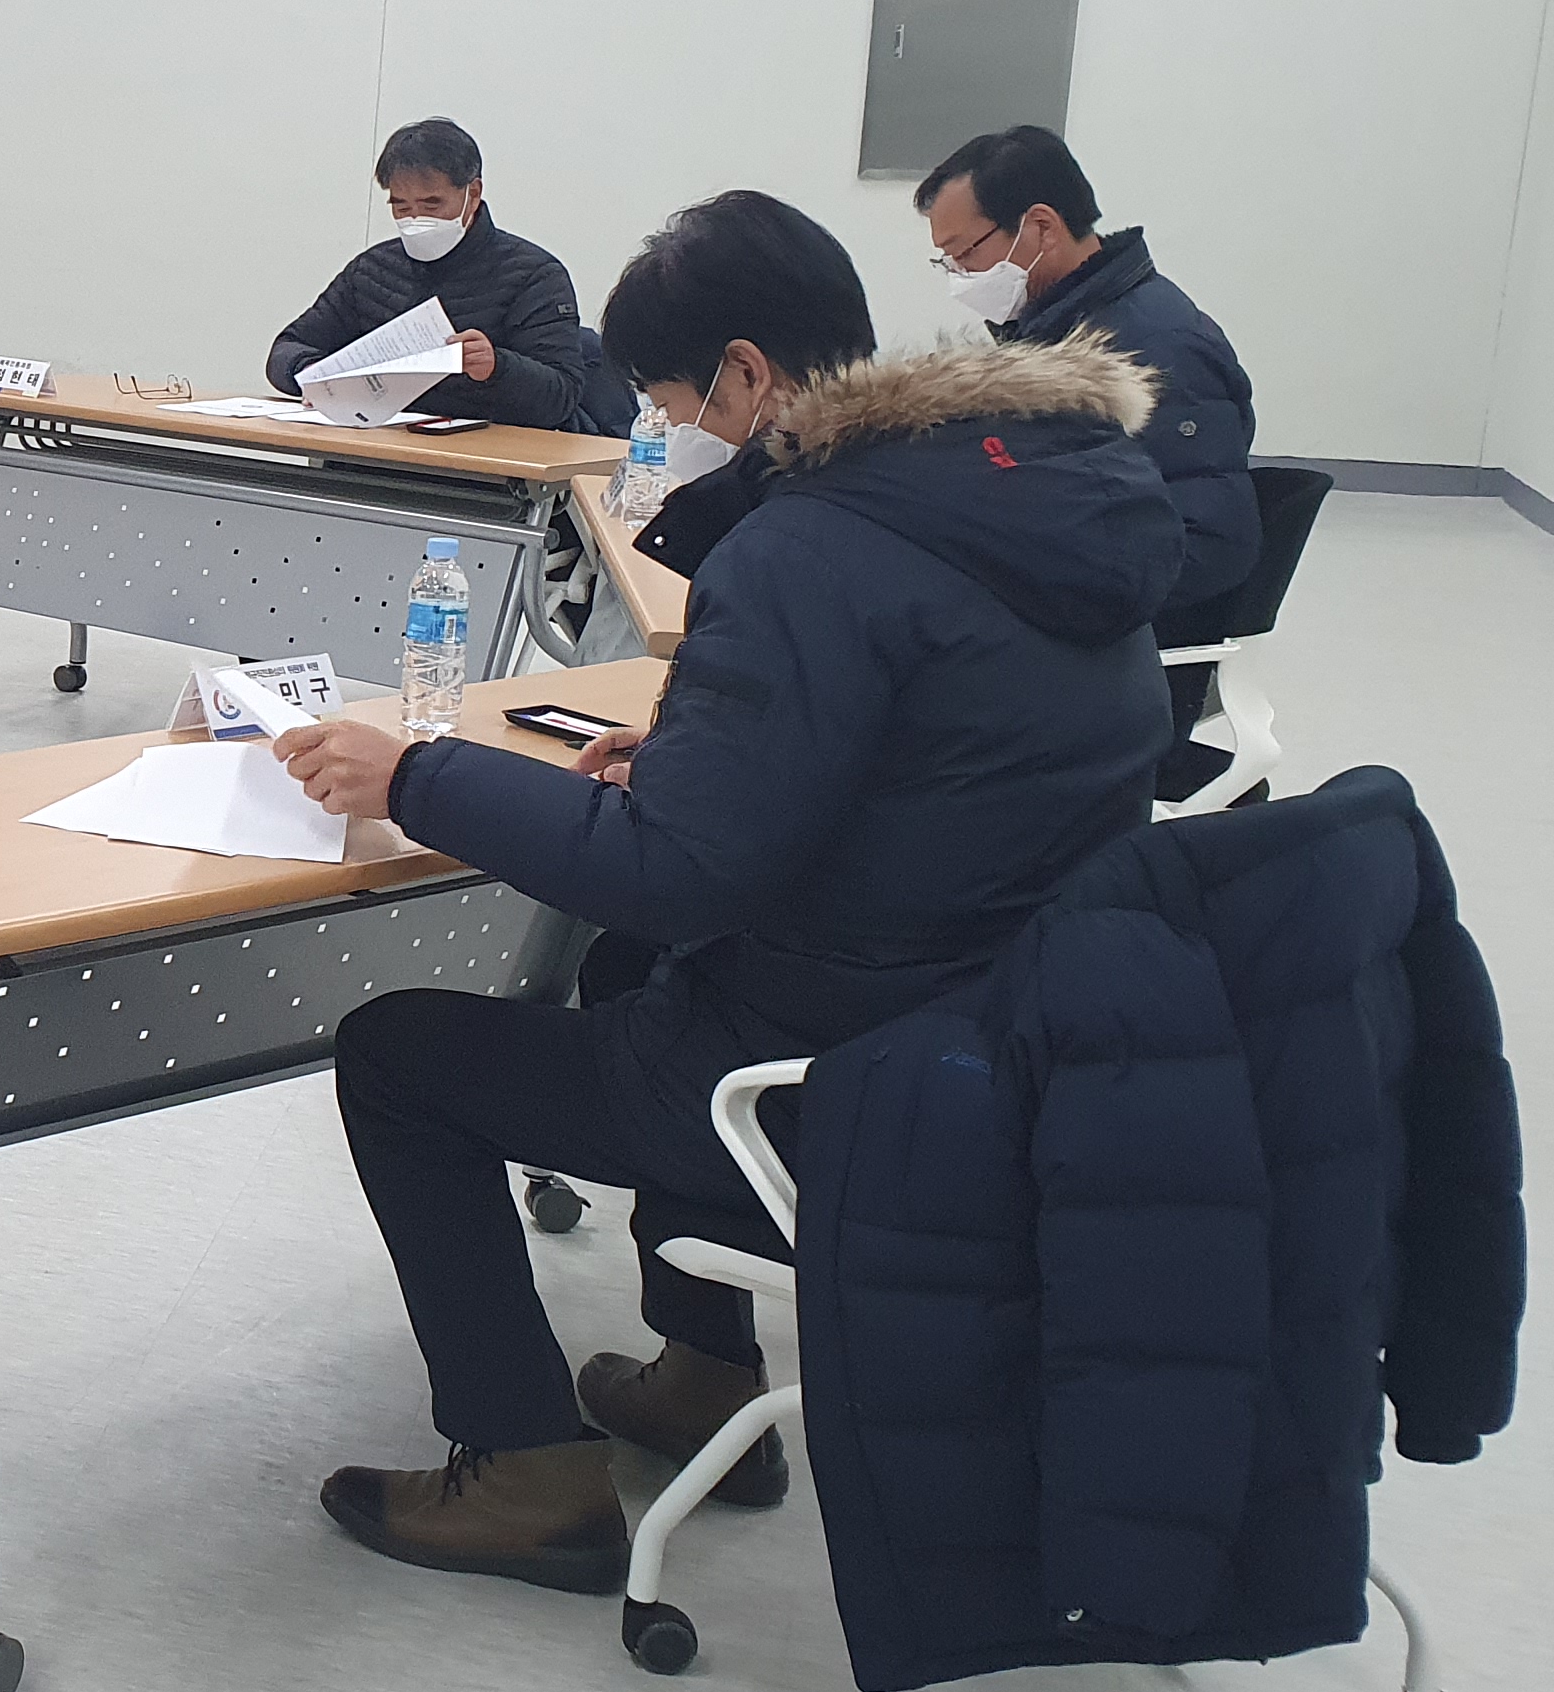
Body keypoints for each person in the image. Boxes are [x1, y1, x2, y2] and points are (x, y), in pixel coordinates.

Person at [269, 189, 1183, 1594]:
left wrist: (417, 777)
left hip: (832, 1068)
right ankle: (705, 1377)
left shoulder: (807, 549)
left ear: (748, 374)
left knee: (400, 1057)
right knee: (623, 966)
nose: (667, 430)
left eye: (670, 401)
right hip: (1006, 1041)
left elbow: (677, 873)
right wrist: (701, 760)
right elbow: (941, 754)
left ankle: (524, 1472)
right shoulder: (1040, 502)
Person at [917, 125, 1258, 623]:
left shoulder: (1156, 346)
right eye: (946, 261)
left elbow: (1208, 542)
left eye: (966, 253)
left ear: (1042, 227)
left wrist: (1022, 587)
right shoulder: (1059, 328)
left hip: (1118, 622)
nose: (959, 276)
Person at [266, 119, 597, 432]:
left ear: (473, 194)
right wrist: (309, 373)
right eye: (401, 207)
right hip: (373, 445)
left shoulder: (535, 276)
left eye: (432, 204)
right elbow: (287, 347)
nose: (415, 219)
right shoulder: (372, 270)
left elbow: (562, 397)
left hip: (483, 456)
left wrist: (497, 367)